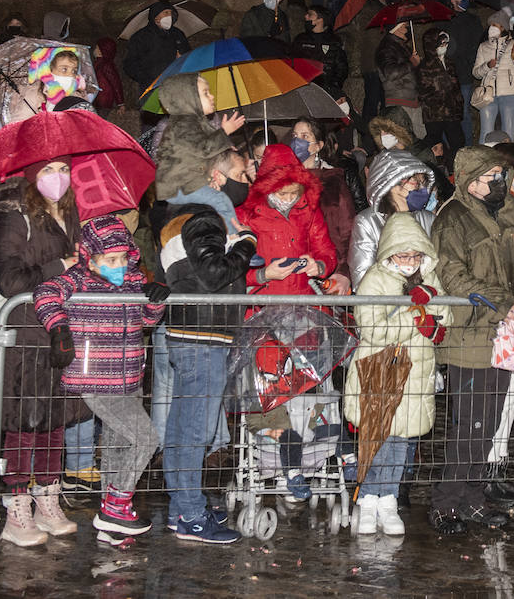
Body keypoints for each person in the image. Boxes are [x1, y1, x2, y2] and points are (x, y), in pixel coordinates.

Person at [32, 215, 166, 545]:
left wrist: (154, 300)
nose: (118, 266)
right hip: (95, 378)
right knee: (145, 437)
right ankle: (115, 508)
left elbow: (146, 320)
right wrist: (59, 328)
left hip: (130, 377)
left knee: (120, 447)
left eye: (123, 258)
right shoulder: (77, 279)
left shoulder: (133, 280)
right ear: (90, 257)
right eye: (110, 260)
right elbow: (45, 293)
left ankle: (111, 524)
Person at [150, 146, 258, 543]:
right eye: (241, 175)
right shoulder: (203, 218)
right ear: (216, 177)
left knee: (182, 428)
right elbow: (214, 275)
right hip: (203, 335)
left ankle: (183, 509)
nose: (246, 183)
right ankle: (193, 516)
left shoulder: (178, 216)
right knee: (194, 430)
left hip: (188, 333)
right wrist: (245, 244)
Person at [0, 158, 85, 548]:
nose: (57, 177)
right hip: (26, 332)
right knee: (23, 422)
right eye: (46, 170)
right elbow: (9, 280)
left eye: (62, 167)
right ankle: (16, 506)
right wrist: (61, 264)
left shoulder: (72, 212)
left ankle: (48, 498)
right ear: (30, 175)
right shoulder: (15, 216)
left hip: (61, 331)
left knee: (54, 421)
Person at [428, 145, 514, 535]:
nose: (500, 182)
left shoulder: (505, 214)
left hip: (503, 333)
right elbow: (454, 277)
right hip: (469, 333)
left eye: (501, 175)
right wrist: (506, 303)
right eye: (493, 177)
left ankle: (472, 498)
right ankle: (445, 503)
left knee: (487, 426)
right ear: (472, 183)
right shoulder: (452, 220)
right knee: (467, 425)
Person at [345, 214, 452, 536]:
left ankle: (388, 499)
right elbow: (372, 328)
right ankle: (367, 501)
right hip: (380, 371)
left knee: (402, 443)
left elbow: (445, 313)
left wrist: (431, 315)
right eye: (403, 256)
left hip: (416, 373)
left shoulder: (430, 278)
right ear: (389, 253)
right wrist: (414, 319)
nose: (409, 262)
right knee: (378, 440)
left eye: (415, 256)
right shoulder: (374, 280)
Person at [236, 143, 337, 296]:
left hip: (302, 299)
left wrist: (319, 266)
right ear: (268, 188)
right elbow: (232, 269)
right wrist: (263, 275)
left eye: (295, 192)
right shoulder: (246, 213)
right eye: (282, 194)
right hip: (263, 303)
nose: (289, 199)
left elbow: (325, 250)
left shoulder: (309, 210)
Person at [348, 150, 436, 288]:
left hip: (423, 302)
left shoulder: (429, 219)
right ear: (392, 184)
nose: (419, 189)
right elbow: (362, 276)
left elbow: (437, 267)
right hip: (385, 303)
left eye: (420, 183)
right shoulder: (368, 222)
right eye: (413, 182)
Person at [152, 73, 246, 201]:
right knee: (222, 206)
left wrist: (227, 148)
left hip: (203, 182)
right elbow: (203, 149)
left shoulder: (207, 121)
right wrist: (224, 132)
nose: (212, 96)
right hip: (182, 189)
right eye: (206, 93)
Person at [288, 119, 356, 266]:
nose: (297, 142)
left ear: (318, 146)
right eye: (295, 136)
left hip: (328, 262)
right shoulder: (283, 180)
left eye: (305, 136)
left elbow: (347, 229)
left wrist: (343, 270)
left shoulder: (332, 180)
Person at [472, 11, 514, 144]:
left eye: (495, 25)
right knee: (486, 131)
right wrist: (487, 66)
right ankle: (485, 163)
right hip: (488, 94)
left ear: (503, 27)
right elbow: (475, 73)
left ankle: (508, 163)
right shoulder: (483, 46)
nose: (491, 27)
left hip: (510, 94)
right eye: (490, 25)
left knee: (508, 133)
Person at [443, 0, 485, 145]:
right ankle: (448, 149)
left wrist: (470, 63)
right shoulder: (446, 21)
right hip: (447, 76)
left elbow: (478, 45)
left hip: (465, 75)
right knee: (447, 113)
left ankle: (467, 148)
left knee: (465, 113)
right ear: (453, 1)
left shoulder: (474, 20)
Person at [123, 0, 191, 96]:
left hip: (176, 84)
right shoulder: (141, 37)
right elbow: (129, 64)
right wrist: (148, 78)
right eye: (166, 13)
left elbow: (189, 54)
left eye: (171, 12)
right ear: (156, 17)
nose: (170, 16)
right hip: (151, 87)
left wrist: (182, 58)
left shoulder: (178, 34)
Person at [417, 26, 464, 159]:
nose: (444, 46)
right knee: (435, 144)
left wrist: (458, 104)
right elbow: (423, 91)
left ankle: (456, 170)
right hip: (435, 114)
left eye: (445, 43)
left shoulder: (450, 63)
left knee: (458, 143)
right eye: (441, 43)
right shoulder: (424, 66)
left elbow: (456, 87)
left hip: (452, 113)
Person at [355, 0, 394, 121]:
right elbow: (372, 35)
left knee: (386, 104)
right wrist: (392, 35)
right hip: (374, 63)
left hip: (384, 63)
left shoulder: (386, 7)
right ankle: (367, 138)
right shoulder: (369, 8)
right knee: (372, 103)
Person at [292, 5, 350, 101]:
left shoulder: (334, 41)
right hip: (303, 89)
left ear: (320, 19)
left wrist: (333, 87)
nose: (306, 17)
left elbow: (342, 68)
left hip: (326, 90)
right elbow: (293, 62)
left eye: (310, 15)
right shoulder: (300, 39)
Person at [92, 37, 126, 111]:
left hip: (104, 100)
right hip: (97, 98)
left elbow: (115, 83)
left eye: (97, 48)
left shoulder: (106, 65)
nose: (95, 49)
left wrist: (120, 103)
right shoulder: (98, 63)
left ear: (101, 51)